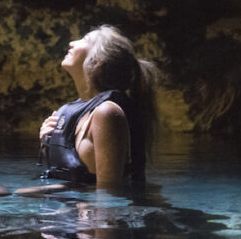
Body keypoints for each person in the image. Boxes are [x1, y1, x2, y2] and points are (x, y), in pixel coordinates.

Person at [36, 25, 159, 190]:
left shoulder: (107, 113)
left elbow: (109, 197)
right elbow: (73, 174)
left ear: (97, 61)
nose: (72, 43)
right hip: (70, 208)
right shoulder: (72, 112)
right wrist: (48, 144)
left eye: (85, 39)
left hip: (92, 212)